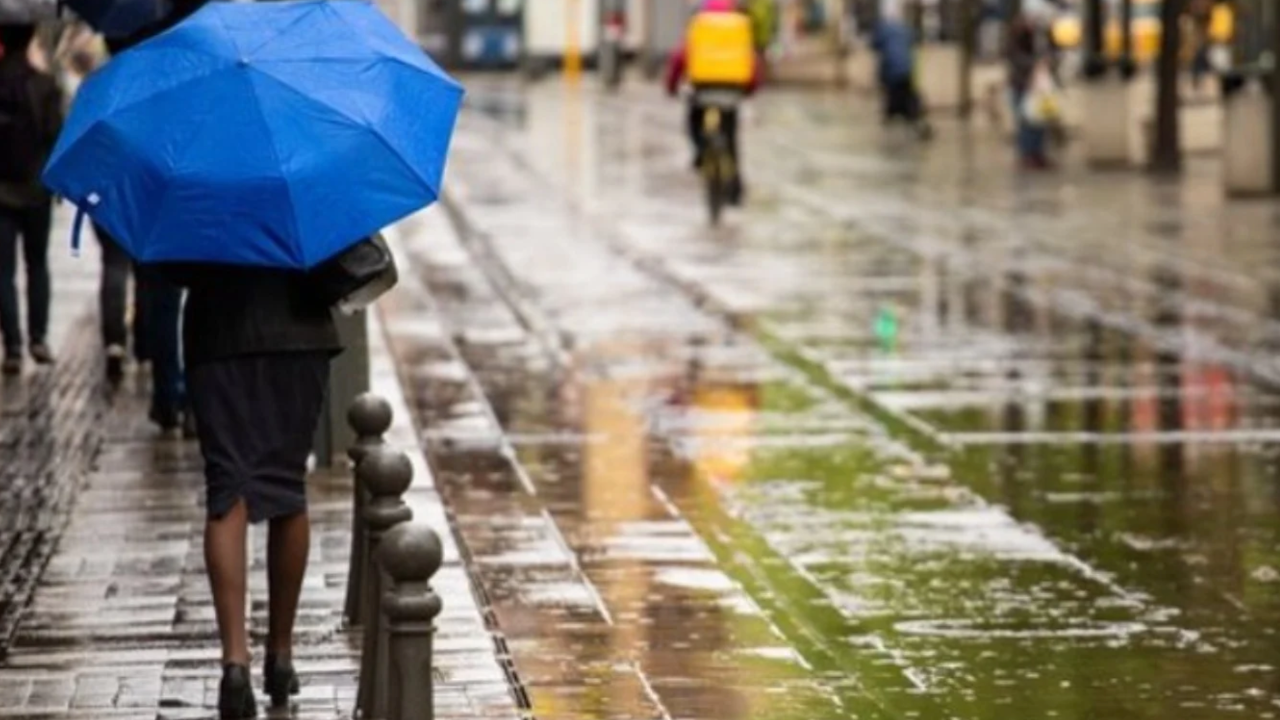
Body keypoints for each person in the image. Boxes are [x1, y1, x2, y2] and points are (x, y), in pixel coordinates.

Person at [173, 263, 340, 720]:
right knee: (287, 487)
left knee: (227, 490)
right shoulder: (305, 187)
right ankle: (281, 655)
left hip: (218, 334)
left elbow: (167, 269)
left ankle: (235, 662)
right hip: (298, 328)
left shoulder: (199, 189)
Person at [0, 24, 61, 376]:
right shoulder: (46, 85)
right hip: (36, 191)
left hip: (0, 195)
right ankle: (39, 337)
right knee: (37, 265)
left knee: (3, 272)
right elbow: (55, 137)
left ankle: (12, 345)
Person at [666, 0, 762, 203]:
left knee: (693, 121)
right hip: (732, 89)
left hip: (703, 88)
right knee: (731, 137)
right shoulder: (739, 26)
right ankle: (735, 189)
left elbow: (680, 57)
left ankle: (701, 153)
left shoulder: (700, 24)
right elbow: (751, 60)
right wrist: (749, 88)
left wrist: (672, 85)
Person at [871, 11, 931, 138]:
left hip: (892, 71)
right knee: (905, 95)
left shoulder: (883, 30)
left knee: (896, 98)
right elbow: (914, 41)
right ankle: (913, 120)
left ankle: (899, 119)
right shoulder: (906, 29)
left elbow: (875, 46)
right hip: (907, 68)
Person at [1007, 13, 1056, 170]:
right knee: (1026, 121)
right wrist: (1035, 64)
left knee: (1040, 120)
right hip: (1022, 85)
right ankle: (1027, 155)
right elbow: (1015, 58)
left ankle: (1037, 154)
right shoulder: (1016, 37)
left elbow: (1052, 52)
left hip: (1039, 86)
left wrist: (1047, 62)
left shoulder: (1041, 36)